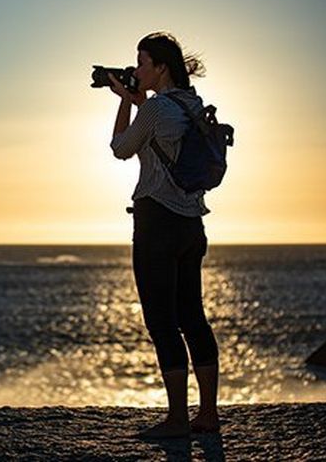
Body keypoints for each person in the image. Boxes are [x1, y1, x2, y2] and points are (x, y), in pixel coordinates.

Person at [107, 32, 220, 438]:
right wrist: (140, 103)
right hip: (193, 224)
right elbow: (163, 137)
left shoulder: (155, 110)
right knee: (193, 317)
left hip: (157, 223)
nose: (137, 71)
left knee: (161, 321)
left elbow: (121, 147)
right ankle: (208, 414)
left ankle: (176, 419)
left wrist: (123, 100)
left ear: (160, 68)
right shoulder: (190, 106)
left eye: (142, 63)